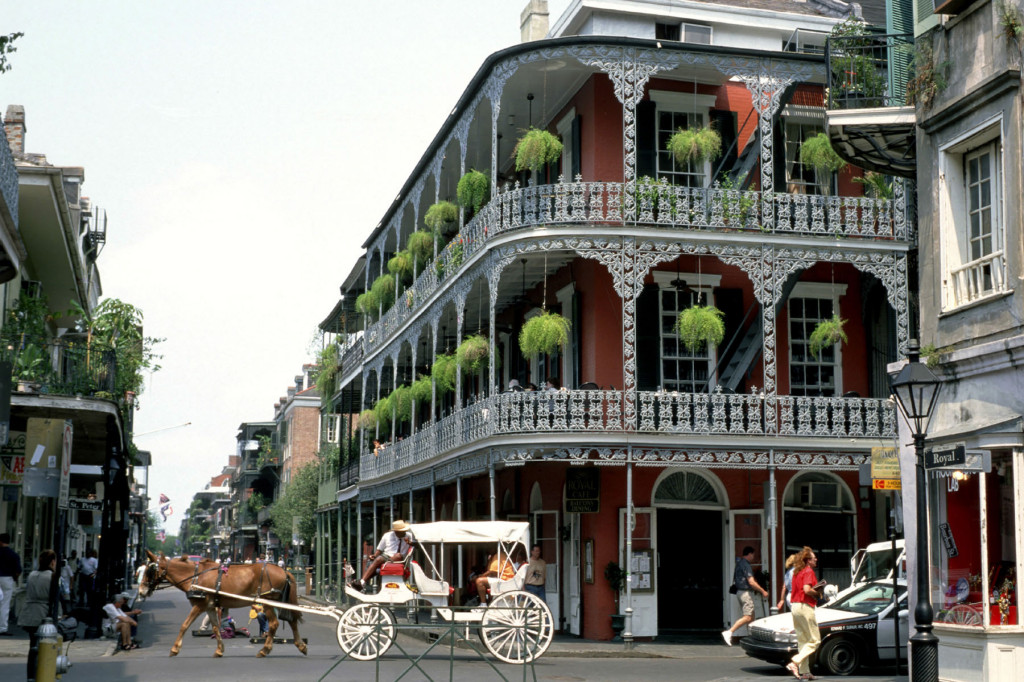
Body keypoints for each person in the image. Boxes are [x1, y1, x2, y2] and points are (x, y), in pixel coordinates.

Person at [787, 547, 823, 680]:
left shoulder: (797, 571)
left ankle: (805, 672)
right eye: (814, 558)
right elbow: (807, 590)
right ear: (808, 560)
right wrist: (818, 593)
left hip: (795, 606)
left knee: (803, 640)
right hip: (805, 606)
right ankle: (795, 662)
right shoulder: (808, 571)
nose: (816, 559)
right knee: (815, 640)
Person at [722, 545, 769, 646]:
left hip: (740, 592)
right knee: (748, 617)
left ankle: (752, 638)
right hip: (745, 593)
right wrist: (763, 591)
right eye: (753, 555)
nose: (753, 557)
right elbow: (751, 582)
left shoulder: (739, 563)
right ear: (750, 554)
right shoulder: (746, 565)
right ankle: (729, 632)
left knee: (751, 617)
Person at [350, 520, 416, 591]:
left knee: (398, 555)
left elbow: (417, 546)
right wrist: (374, 556)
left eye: (403, 531)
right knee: (378, 559)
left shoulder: (409, 536)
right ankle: (362, 582)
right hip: (386, 556)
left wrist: (410, 543)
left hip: (400, 558)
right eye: (399, 532)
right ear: (395, 531)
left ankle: (380, 568)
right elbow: (380, 549)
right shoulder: (387, 535)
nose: (402, 533)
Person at [19, 549, 56, 678]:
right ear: (52, 562)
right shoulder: (52, 576)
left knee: (32, 645)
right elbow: (54, 598)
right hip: (43, 613)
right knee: (45, 646)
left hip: (29, 612)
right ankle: (43, 673)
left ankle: (30, 675)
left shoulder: (32, 575)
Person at [0, 532, 21, 636]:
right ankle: (2, 627)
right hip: (7, 578)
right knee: (4, 604)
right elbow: (18, 570)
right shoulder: (13, 555)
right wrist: (15, 578)